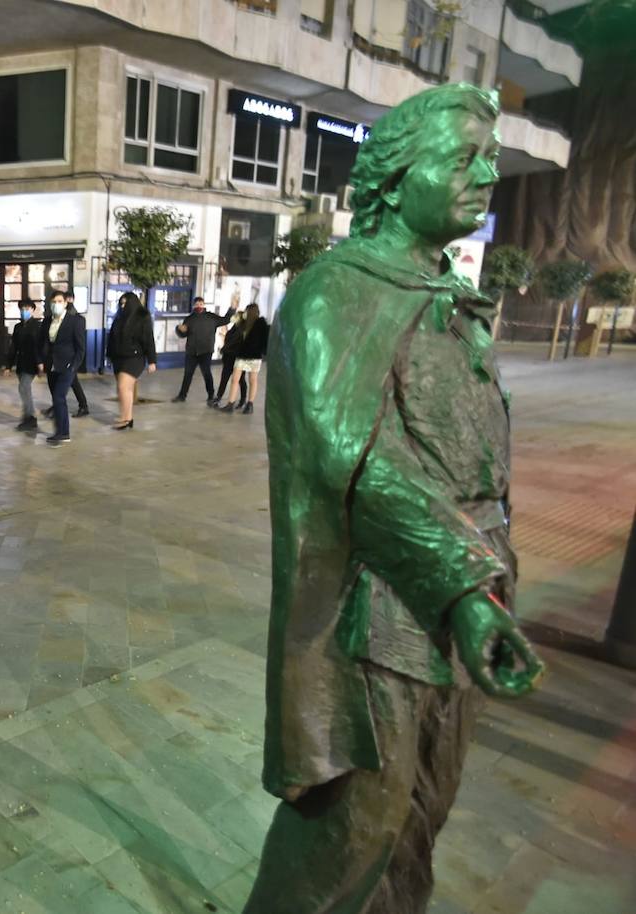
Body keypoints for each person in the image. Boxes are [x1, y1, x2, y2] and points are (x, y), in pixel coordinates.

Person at [243, 83, 544, 914]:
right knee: (354, 827)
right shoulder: (335, 292)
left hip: (463, 588)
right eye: (462, 158)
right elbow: (349, 460)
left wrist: (482, 586)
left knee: (423, 809)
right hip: (382, 609)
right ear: (396, 176)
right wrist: (464, 591)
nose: (486, 174)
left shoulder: (444, 294)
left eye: (488, 156)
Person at [39, 289, 86, 445]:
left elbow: (80, 347)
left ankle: (63, 433)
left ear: (66, 303)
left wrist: (74, 366)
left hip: (67, 366)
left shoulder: (75, 321)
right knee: (57, 399)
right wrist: (41, 361)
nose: (56, 305)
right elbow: (43, 342)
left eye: (60, 301)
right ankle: (61, 431)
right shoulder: (47, 321)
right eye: (54, 302)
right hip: (51, 365)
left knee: (59, 397)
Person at [105, 291, 157, 430]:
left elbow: (148, 339)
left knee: (123, 386)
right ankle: (127, 417)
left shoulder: (142, 316)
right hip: (118, 357)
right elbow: (112, 338)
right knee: (122, 389)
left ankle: (126, 419)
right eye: (121, 303)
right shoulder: (119, 318)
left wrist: (152, 360)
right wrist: (109, 356)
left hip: (135, 357)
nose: (123, 306)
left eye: (125, 303)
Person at [172, 296, 230, 404]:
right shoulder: (189, 319)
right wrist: (179, 330)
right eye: (197, 304)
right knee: (188, 374)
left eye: (201, 304)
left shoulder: (211, 317)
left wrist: (232, 309)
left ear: (204, 305)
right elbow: (183, 334)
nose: (199, 306)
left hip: (206, 351)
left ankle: (211, 395)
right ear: (194, 305)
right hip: (191, 351)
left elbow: (225, 320)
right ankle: (182, 396)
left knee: (207, 373)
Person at [217, 304, 269, 414]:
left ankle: (241, 404)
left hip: (249, 356)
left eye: (247, 311)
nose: (245, 313)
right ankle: (240, 404)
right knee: (243, 380)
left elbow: (264, 339)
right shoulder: (248, 323)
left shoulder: (256, 323)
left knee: (244, 380)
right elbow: (232, 320)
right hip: (248, 356)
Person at [3, 298, 43, 431]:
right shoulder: (18, 327)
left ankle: (31, 417)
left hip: (32, 364)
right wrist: (8, 366)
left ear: (32, 310)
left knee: (23, 388)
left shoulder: (38, 326)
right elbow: (13, 347)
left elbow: (39, 346)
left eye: (27, 309)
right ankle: (27, 417)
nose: (24, 311)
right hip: (21, 364)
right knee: (25, 391)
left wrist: (40, 363)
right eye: (22, 309)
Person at [211, 301, 247, 409]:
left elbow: (232, 343)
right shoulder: (234, 328)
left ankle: (242, 400)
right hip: (229, 357)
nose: (233, 318)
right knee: (225, 377)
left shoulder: (242, 330)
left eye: (236, 317)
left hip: (237, 357)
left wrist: (224, 349)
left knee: (240, 379)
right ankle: (218, 397)